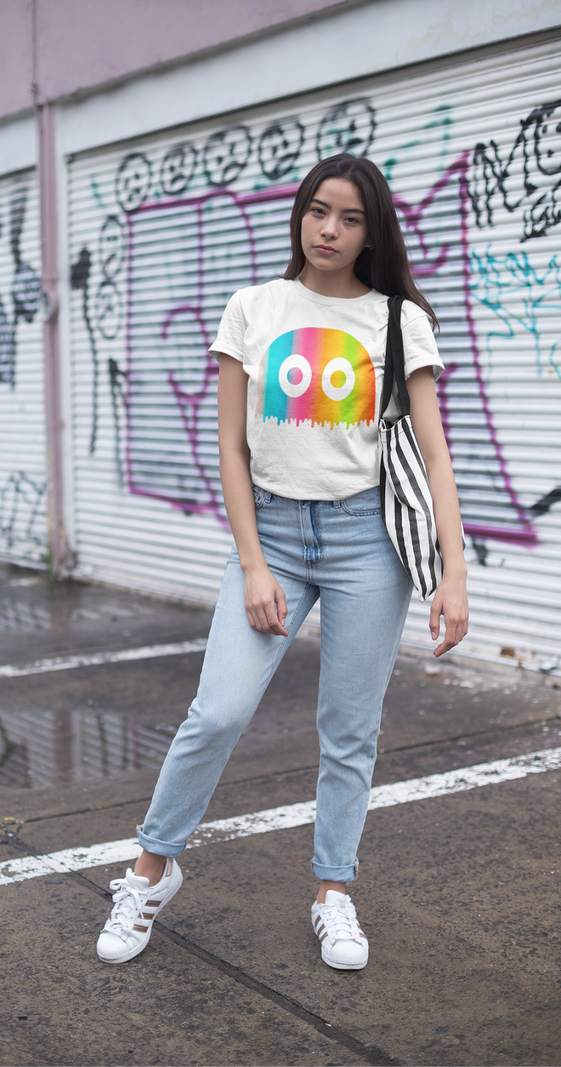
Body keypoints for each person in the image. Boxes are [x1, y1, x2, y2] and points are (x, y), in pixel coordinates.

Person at [96, 153, 469, 970]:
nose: (330, 230)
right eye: (318, 211)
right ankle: (151, 870)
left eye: (351, 218)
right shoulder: (254, 307)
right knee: (218, 711)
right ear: (299, 215)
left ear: (373, 231)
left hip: (367, 542)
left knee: (349, 730)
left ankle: (333, 890)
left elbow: (436, 455)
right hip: (272, 534)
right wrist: (254, 563)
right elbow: (230, 447)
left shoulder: (398, 319)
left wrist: (454, 571)